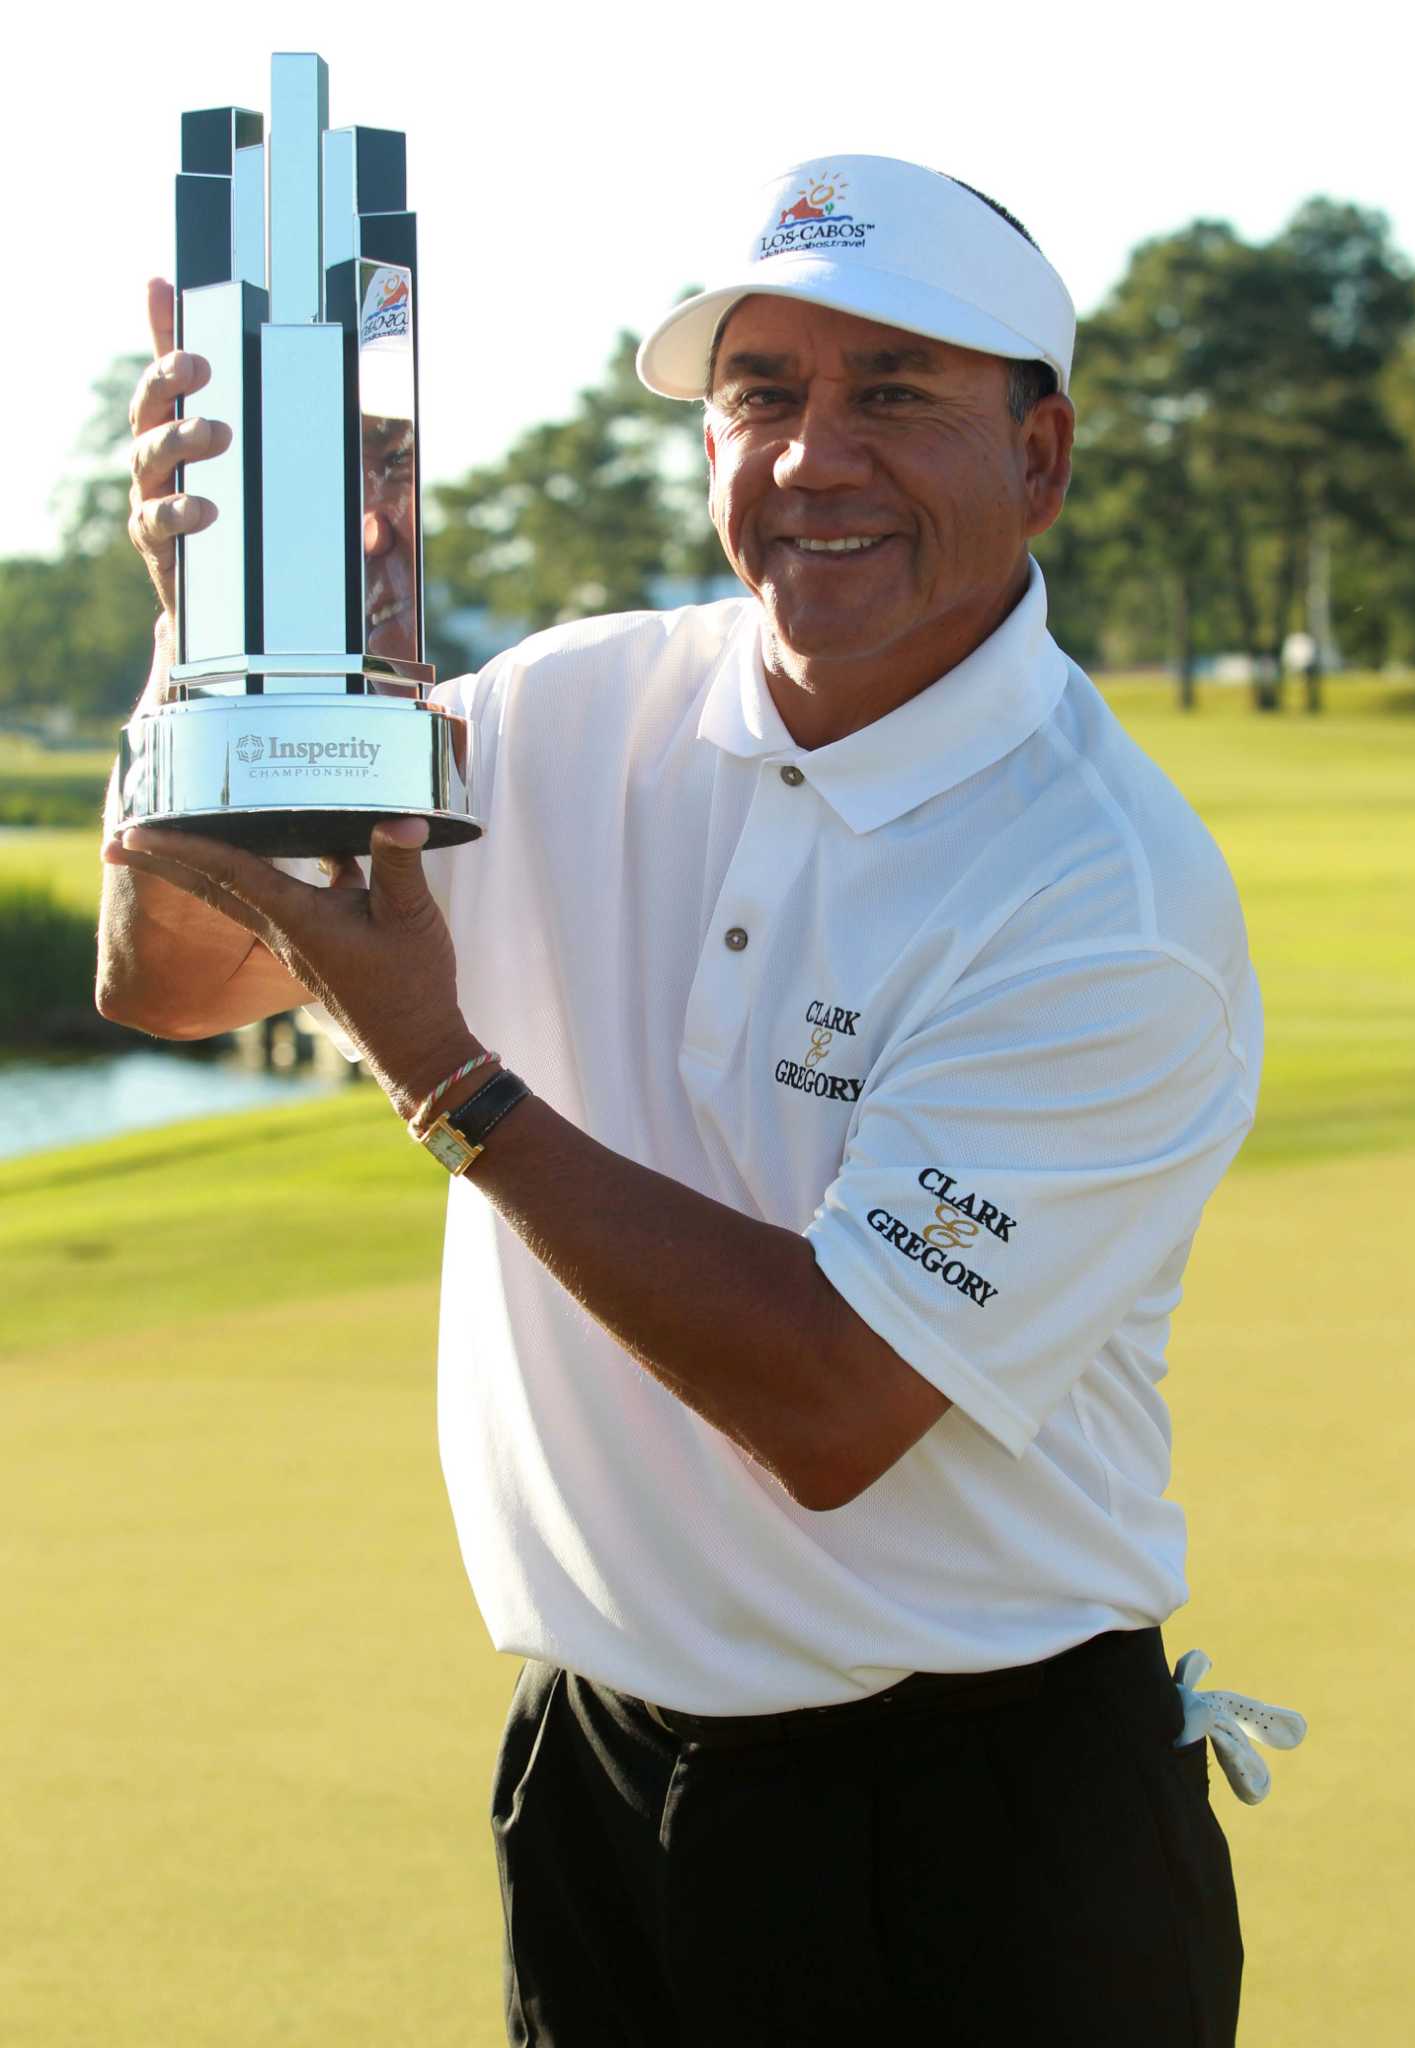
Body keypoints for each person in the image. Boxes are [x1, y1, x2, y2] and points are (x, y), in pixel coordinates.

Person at [101, 157, 1263, 2045]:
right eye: (763, 394)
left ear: (1040, 457)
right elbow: (172, 976)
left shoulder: (1104, 893)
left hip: (976, 1840)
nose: (815, 458)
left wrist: (448, 1077)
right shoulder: (574, 703)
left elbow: (828, 1401)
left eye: (895, 391)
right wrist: (214, 643)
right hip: (598, 1790)